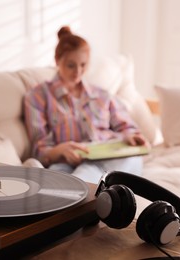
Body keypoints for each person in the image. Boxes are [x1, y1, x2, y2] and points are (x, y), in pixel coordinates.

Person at [23, 26, 149, 184]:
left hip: (108, 159)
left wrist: (132, 137)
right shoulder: (37, 96)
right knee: (63, 177)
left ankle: (85, 185)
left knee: (132, 160)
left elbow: (128, 127)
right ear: (57, 60)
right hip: (66, 164)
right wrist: (59, 150)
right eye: (71, 65)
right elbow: (39, 149)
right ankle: (83, 185)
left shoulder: (102, 95)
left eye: (83, 65)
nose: (78, 71)